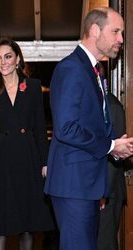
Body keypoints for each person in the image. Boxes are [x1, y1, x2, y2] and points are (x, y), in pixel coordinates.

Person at [44, 7, 133, 250]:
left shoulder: (92, 70)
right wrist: (111, 145)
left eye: (121, 33)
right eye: (115, 31)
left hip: (86, 185)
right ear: (94, 30)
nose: (121, 40)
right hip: (74, 184)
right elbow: (66, 128)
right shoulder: (72, 68)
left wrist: (113, 149)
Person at [0, 37, 55, 250]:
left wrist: (45, 162)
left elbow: (40, 128)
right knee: (1, 227)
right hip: (1, 159)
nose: (3, 62)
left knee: (27, 227)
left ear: (17, 58)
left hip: (28, 157)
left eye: (8, 56)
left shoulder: (33, 86)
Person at [97, 64, 127, 250]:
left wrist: (102, 193)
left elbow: (115, 156)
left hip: (108, 193)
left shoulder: (111, 106)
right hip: (99, 192)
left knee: (105, 245)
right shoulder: (96, 105)